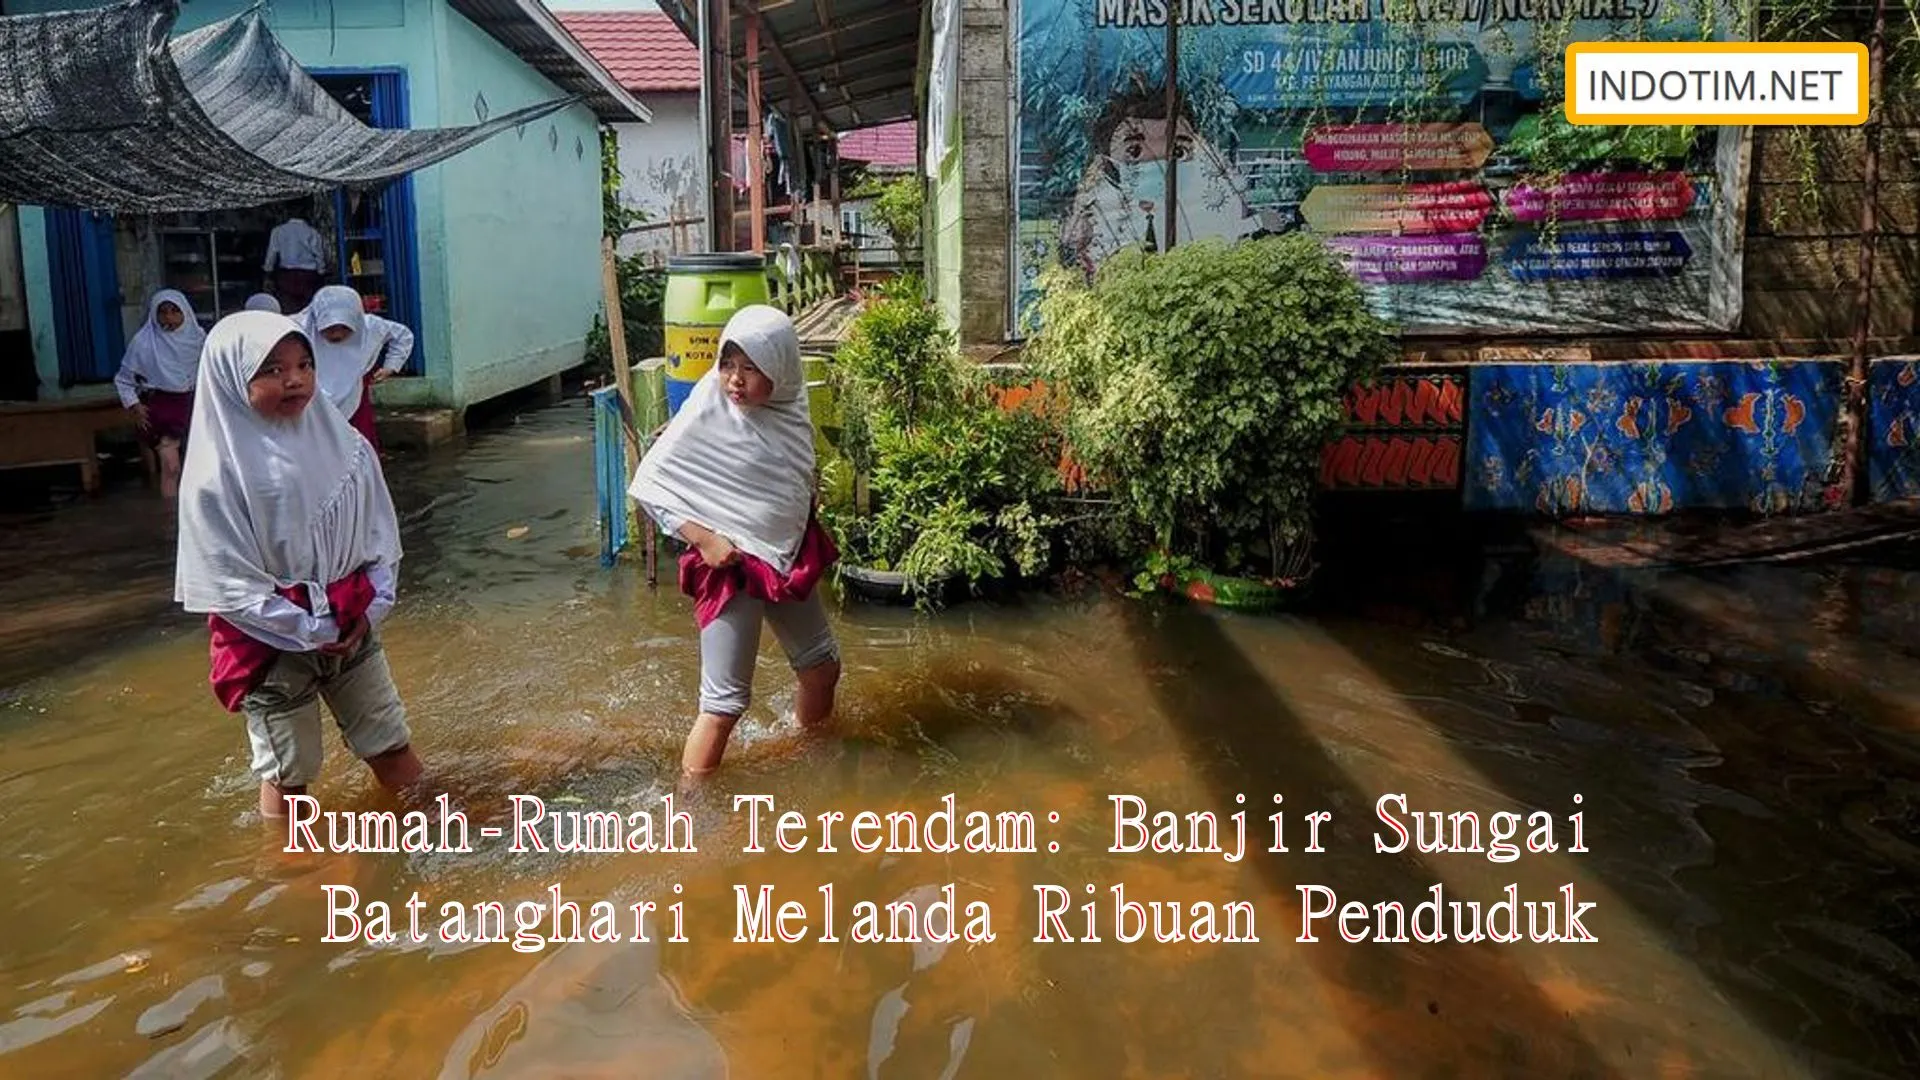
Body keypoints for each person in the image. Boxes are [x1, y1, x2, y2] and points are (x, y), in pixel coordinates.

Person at [174, 311, 424, 820]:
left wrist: (370, 607)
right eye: (271, 369)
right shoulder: (214, 478)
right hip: (270, 646)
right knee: (288, 775)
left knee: (390, 743)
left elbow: (380, 534)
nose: (294, 379)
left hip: (352, 623)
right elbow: (229, 584)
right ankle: (292, 872)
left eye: (305, 364)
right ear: (229, 378)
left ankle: (439, 832)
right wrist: (307, 627)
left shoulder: (347, 447)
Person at [629, 305, 842, 788]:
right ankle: (690, 804)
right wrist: (704, 538)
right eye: (729, 364)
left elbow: (786, 474)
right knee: (725, 705)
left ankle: (815, 755)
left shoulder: (788, 406)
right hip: (731, 563)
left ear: (781, 371)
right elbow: (651, 483)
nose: (735, 380)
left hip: (783, 553)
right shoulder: (709, 406)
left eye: (751, 368)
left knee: (822, 666)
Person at [112, 289, 207, 500]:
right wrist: (135, 406)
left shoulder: (199, 340)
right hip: (163, 410)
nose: (169, 319)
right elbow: (123, 379)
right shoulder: (144, 343)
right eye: (163, 312)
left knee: (202, 469)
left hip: (194, 407)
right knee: (171, 467)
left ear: (186, 313)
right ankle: (170, 520)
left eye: (175, 312)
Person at [300, 285, 416, 450]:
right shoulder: (301, 327)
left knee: (358, 443)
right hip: (314, 397)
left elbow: (403, 335)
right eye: (330, 329)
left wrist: (391, 366)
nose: (337, 335)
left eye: (345, 328)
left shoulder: (370, 327)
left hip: (355, 394)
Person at [263, 211, 328, 312]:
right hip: (308, 276)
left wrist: (268, 273)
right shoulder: (312, 232)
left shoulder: (278, 231)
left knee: (288, 308)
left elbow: (271, 254)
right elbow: (318, 254)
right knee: (308, 309)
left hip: (286, 275)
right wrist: (321, 272)